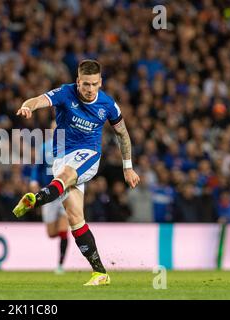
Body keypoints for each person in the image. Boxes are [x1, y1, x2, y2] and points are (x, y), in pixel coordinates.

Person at [13, 59, 140, 286]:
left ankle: (36, 199)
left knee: (64, 177)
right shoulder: (65, 93)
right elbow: (39, 100)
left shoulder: (108, 105)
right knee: (75, 219)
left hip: (88, 155)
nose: (90, 90)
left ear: (100, 82)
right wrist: (27, 106)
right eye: (85, 85)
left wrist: (128, 167)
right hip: (62, 157)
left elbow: (123, 134)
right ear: (77, 82)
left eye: (94, 84)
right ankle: (100, 272)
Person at [29, 125, 69, 274]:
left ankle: (60, 265)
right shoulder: (45, 147)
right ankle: (61, 230)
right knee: (52, 234)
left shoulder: (70, 147)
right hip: (49, 193)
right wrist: (33, 182)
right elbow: (37, 168)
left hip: (66, 192)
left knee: (64, 229)